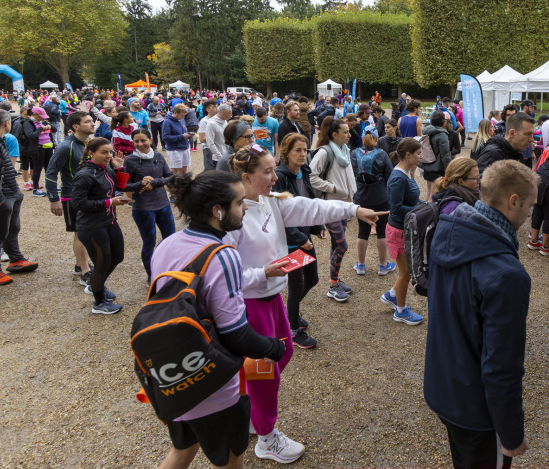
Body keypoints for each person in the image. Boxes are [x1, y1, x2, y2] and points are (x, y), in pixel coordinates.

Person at [224, 144, 383, 461]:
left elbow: (312, 208)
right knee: (266, 371)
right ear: (246, 176)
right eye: (267, 171)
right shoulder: (231, 215)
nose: (274, 176)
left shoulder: (271, 201)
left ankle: (248, 404)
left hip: (271, 298)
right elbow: (222, 276)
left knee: (281, 356)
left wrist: (353, 210)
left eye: (274, 168)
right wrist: (262, 273)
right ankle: (266, 438)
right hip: (250, 305)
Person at [151, 170, 286, 469]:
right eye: (239, 203)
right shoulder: (223, 255)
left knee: (182, 450)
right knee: (229, 458)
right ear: (218, 211)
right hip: (211, 377)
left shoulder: (167, 244)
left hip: (174, 369)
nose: (246, 207)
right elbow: (235, 333)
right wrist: (274, 348)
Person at [424, 160, 538, 467]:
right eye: (529, 206)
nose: (529, 215)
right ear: (513, 201)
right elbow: (501, 367)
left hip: (443, 386)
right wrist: (512, 435)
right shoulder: (507, 274)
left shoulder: (449, 231)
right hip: (476, 410)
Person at [273, 134, 323, 349]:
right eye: (298, 150)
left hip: (304, 237)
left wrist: (317, 226)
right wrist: (301, 238)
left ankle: (288, 314)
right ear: (286, 153)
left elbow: (308, 205)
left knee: (312, 279)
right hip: (290, 241)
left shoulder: (304, 172)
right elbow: (279, 216)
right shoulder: (279, 177)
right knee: (296, 286)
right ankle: (292, 330)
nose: (303, 154)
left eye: (305, 150)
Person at [71, 137, 128, 314]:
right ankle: (99, 302)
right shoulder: (85, 174)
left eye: (110, 152)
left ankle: (96, 285)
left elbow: (118, 186)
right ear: (91, 153)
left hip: (109, 221)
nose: (109, 155)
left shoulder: (105, 169)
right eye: (104, 152)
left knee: (117, 257)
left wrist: (119, 168)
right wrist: (109, 202)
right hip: (92, 226)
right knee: (102, 263)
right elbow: (78, 204)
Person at [0, 109, 37, 285]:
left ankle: (15, 259)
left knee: (12, 228)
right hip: (1, 197)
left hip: (10, 192)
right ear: (6, 123)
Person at [309, 117, 357, 302]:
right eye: (345, 132)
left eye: (348, 131)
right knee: (342, 245)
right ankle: (332, 286)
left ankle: (334, 280)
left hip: (344, 205)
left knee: (335, 245)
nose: (349, 134)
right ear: (334, 134)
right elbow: (311, 176)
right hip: (331, 207)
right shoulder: (325, 152)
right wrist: (333, 187)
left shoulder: (344, 150)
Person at [121, 129, 175, 284]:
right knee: (149, 243)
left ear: (151, 140)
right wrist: (141, 183)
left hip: (163, 204)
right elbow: (124, 185)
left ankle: (169, 271)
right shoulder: (129, 160)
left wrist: (154, 182)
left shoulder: (158, 156)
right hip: (143, 208)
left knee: (170, 240)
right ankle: (152, 276)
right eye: (136, 141)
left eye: (143, 140)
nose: (140, 144)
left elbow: (170, 177)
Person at [45, 110, 94, 282]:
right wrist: (53, 199)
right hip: (72, 197)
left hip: (86, 196)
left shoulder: (86, 142)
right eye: (88, 121)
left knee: (85, 232)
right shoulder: (66, 146)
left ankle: (80, 264)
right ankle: (85, 273)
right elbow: (51, 173)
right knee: (80, 233)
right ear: (75, 126)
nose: (92, 123)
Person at [382, 137, 424, 325]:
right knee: (405, 273)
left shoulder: (408, 171)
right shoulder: (398, 177)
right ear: (408, 155)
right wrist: (420, 210)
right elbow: (396, 208)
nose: (421, 157)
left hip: (405, 229)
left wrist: (428, 206)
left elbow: (412, 201)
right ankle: (400, 311)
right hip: (398, 231)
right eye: (418, 153)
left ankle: (392, 295)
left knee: (406, 272)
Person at [351, 124, 396, 277]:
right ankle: (383, 265)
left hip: (361, 196)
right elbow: (390, 176)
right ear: (377, 138)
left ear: (362, 138)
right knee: (382, 230)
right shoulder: (382, 154)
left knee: (362, 231)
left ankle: (361, 265)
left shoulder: (353, 153)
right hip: (380, 196)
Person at [421, 111, 453, 201]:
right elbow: (445, 155)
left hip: (427, 165)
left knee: (429, 193)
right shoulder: (442, 135)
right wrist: (449, 169)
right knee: (434, 194)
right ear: (444, 122)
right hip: (437, 168)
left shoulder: (426, 131)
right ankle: (430, 213)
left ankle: (425, 209)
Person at [25, 106, 54, 197]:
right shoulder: (28, 123)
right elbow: (31, 135)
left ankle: (51, 186)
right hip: (37, 148)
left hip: (48, 146)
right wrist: (41, 129)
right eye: (41, 116)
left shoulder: (42, 121)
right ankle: (35, 189)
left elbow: (55, 130)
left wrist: (50, 127)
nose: (43, 118)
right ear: (34, 114)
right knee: (38, 168)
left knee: (48, 167)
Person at [162, 103, 192, 175]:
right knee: (175, 170)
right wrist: (182, 136)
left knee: (184, 168)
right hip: (175, 149)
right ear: (175, 112)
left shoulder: (181, 120)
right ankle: (173, 185)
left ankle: (181, 184)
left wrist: (189, 134)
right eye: (182, 115)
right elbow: (165, 137)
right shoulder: (167, 122)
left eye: (184, 115)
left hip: (185, 147)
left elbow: (182, 132)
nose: (183, 117)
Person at [198, 99, 218, 171]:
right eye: (214, 107)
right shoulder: (204, 121)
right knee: (210, 170)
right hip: (209, 149)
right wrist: (218, 137)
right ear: (208, 109)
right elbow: (202, 139)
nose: (216, 109)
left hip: (218, 147)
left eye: (217, 106)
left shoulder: (219, 120)